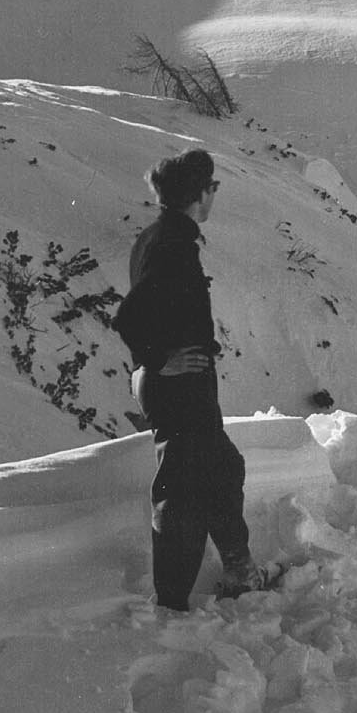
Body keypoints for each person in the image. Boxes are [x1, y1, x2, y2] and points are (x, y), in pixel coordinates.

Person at [113, 148, 269, 609]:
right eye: (212, 187)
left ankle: (239, 571)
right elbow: (129, 317)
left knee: (223, 469)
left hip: (178, 384)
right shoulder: (173, 244)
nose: (214, 195)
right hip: (178, 387)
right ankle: (172, 602)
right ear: (200, 193)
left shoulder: (159, 236)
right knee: (181, 492)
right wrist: (160, 361)